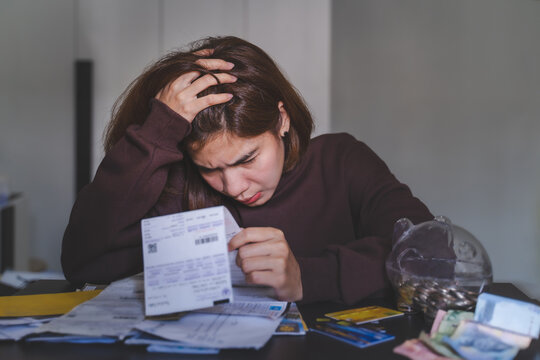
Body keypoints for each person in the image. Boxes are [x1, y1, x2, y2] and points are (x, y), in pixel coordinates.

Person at [62, 36, 432, 304]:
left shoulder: (342, 160)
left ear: (282, 121)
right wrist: (156, 134)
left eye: (247, 159)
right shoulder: (178, 185)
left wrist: (306, 277)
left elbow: (432, 252)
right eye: (210, 169)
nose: (234, 186)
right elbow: (84, 262)